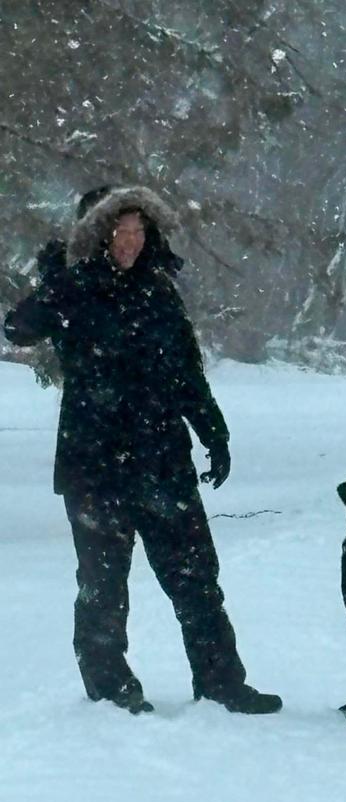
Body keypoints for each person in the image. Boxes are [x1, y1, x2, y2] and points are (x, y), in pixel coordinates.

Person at [4, 185, 282, 716]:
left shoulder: (159, 292)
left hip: (161, 460)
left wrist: (212, 431)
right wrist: (54, 284)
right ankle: (110, 684)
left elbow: (186, 374)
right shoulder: (74, 290)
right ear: (98, 235)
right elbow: (16, 327)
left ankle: (222, 681)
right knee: (103, 583)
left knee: (197, 577)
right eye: (120, 230)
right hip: (94, 466)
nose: (131, 241)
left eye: (139, 230)